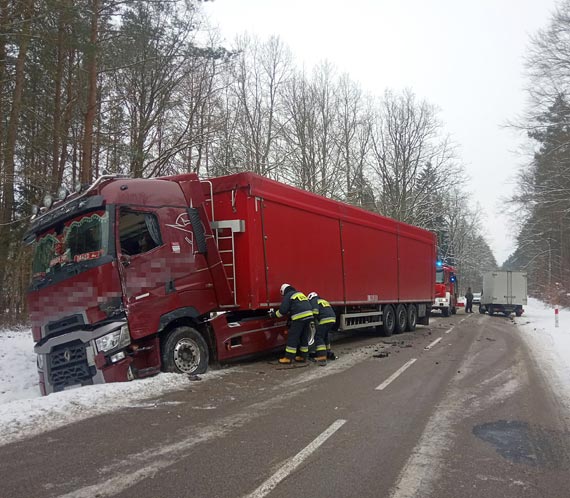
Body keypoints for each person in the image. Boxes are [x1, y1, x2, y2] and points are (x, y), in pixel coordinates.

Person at [269, 283, 314, 364]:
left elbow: (282, 311)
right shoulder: (299, 294)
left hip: (299, 317)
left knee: (293, 337)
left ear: (283, 291)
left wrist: (273, 315)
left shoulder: (288, 295)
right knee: (304, 336)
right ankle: (303, 356)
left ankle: (288, 358)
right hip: (309, 316)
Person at [307, 292, 337, 365]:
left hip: (324, 319)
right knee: (325, 336)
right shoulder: (323, 301)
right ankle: (328, 352)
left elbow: (315, 311)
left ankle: (322, 356)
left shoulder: (314, 300)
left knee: (318, 336)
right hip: (332, 319)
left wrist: (312, 319)